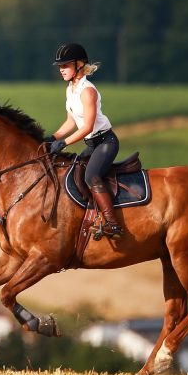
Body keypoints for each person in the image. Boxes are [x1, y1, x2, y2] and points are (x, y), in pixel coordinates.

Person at [44, 42, 122, 239]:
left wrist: (64, 143)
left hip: (105, 142)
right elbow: (72, 120)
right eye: (60, 67)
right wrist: (53, 137)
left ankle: (113, 224)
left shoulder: (88, 90)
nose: (61, 70)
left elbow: (87, 126)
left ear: (79, 65)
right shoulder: (71, 89)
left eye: (65, 66)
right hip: (92, 144)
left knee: (91, 176)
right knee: (72, 171)